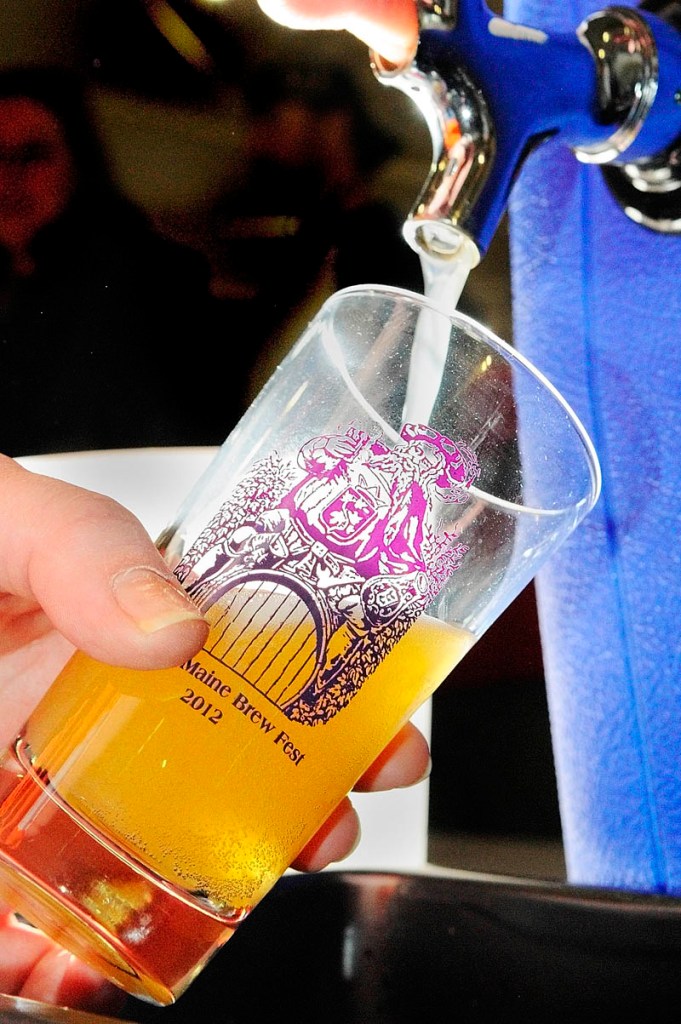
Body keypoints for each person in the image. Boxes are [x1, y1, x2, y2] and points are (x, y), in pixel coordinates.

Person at [0, 66, 234, 457]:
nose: (7, 180)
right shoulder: (15, 274)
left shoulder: (144, 282)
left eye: (32, 156)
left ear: (77, 163)